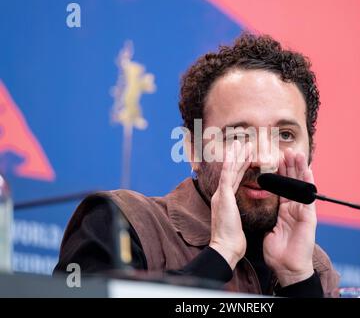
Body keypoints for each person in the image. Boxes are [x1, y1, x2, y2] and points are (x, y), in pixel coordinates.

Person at [54, 32, 340, 297]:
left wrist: (298, 279)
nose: (264, 159)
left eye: (285, 135)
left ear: (311, 149)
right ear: (193, 149)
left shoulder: (316, 268)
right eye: (239, 135)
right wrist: (220, 255)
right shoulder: (120, 222)